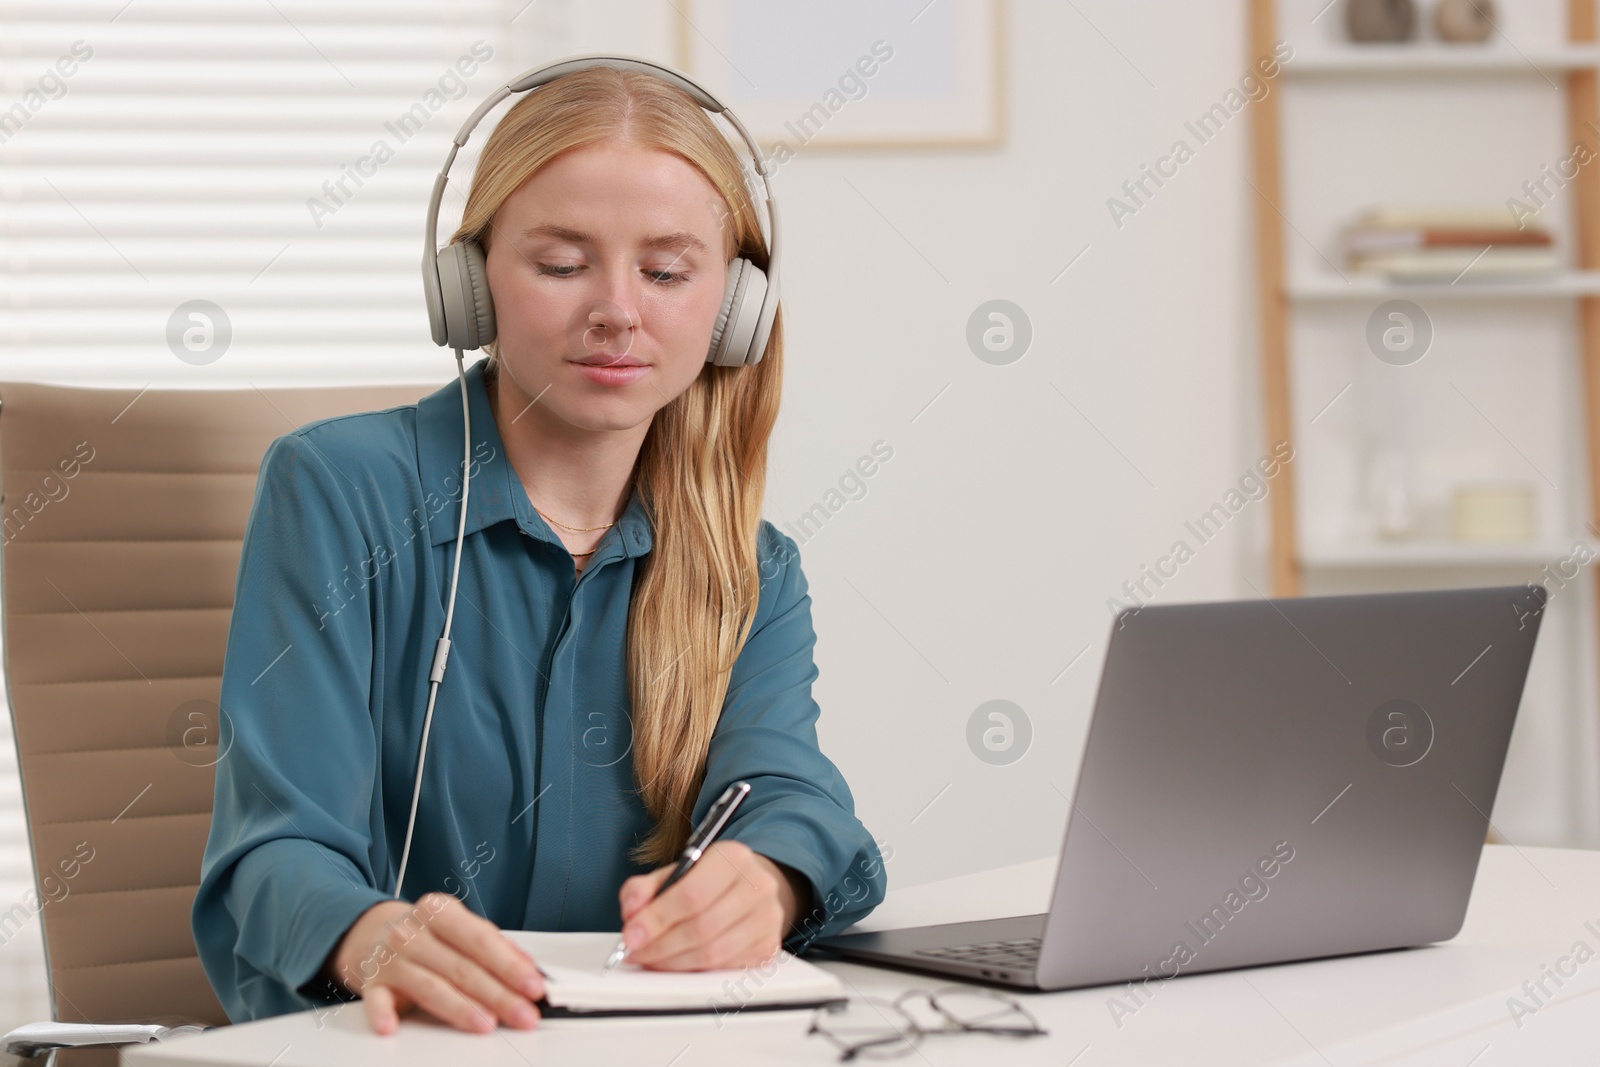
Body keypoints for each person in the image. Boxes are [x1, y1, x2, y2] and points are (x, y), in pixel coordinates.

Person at [191, 63, 887, 1035]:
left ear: (735, 310)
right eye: (561, 264)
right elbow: (275, 851)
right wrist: (367, 934)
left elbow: (788, 792)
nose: (615, 308)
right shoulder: (337, 491)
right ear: (469, 289)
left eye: (667, 271)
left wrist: (764, 877)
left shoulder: (749, 568)